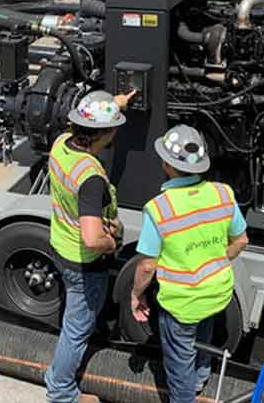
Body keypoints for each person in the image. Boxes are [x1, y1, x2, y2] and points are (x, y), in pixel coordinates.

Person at [129, 125, 249, 403]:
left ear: (167, 164)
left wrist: (136, 295)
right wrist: (217, 260)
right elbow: (241, 240)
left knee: (179, 363)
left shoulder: (159, 209)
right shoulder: (223, 193)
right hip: (217, 292)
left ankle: (185, 395)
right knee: (203, 340)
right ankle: (200, 380)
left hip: (181, 304)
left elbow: (147, 266)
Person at [45, 89, 135, 403]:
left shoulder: (61, 143)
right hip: (83, 261)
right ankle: (61, 391)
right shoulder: (90, 178)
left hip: (60, 244)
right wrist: (112, 243)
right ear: (107, 134)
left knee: (77, 317)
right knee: (76, 328)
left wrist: (115, 104)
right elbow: (92, 238)